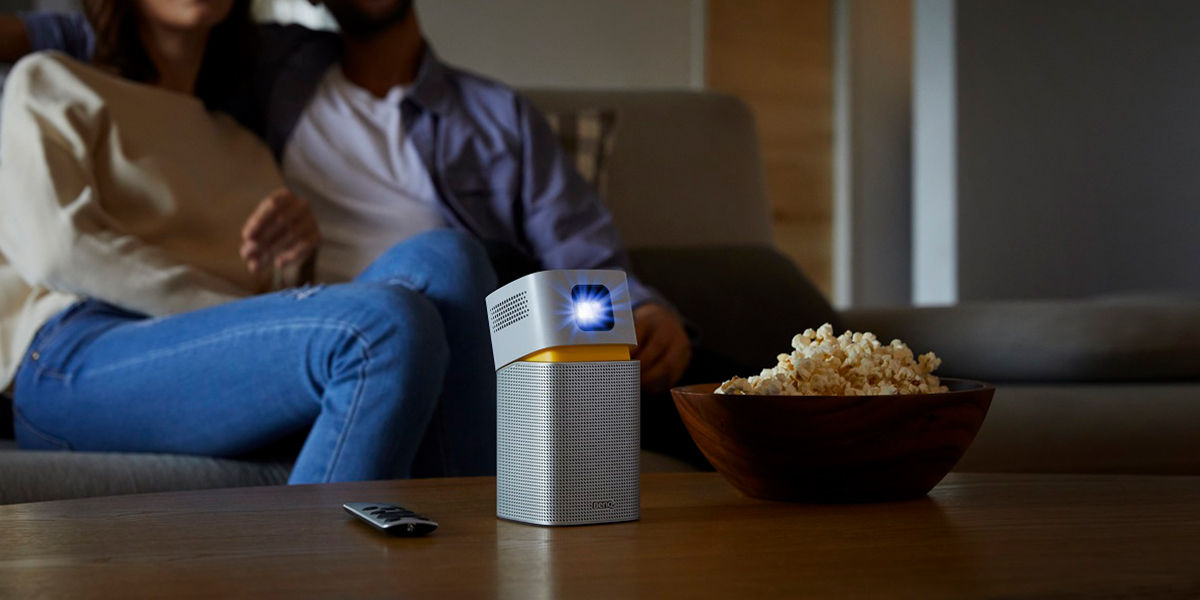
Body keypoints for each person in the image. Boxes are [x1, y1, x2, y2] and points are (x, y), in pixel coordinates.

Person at [4, 0, 694, 397]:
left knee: (462, 262)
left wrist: (647, 308)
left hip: (463, 313)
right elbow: (113, 33)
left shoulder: (496, 116)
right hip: (314, 321)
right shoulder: (267, 68)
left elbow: (583, 252)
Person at [0, 0, 497, 483]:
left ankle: (468, 550)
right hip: (72, 354)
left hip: (209, 356)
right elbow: (57, 251)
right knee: (380, 327)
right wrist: (239, 313)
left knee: (449, 257)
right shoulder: (51, 81)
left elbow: (264, 304)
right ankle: (314, 566)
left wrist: (296, 267)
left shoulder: (245, 146)